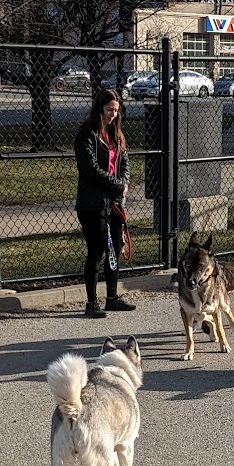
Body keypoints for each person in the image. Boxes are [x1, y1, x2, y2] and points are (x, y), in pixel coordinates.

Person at [74, 87, 137, 318]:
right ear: (100, 108)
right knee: (97, 250)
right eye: (110, 109)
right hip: (92, 204)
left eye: (116, 110)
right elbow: (91, 170)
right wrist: (117, 184)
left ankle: (112, 297)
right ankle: (91, 302)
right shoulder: (86, 135)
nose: (113, 114)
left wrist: (124, 183)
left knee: (114, 248)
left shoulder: (116, 134)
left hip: (114, 203)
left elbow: (125, 161)